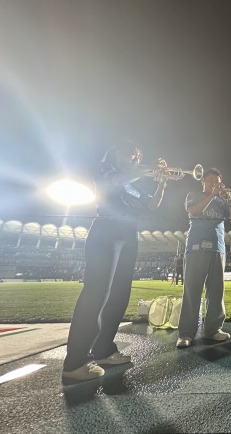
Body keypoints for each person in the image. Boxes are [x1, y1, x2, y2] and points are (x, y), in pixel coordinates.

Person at [62, 141, 168, 382]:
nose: (136, 157)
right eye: (131, 153)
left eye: (139, 155)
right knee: (97, 292)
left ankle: (103, 349)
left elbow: (152, 205)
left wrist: (161, 183)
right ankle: (75, 361)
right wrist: (148, 167)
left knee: (120, 294)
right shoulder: (105, 169)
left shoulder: (133, 183)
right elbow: (114, 182)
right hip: (106, 230)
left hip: (128, 234)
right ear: (116, 154)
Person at [176, 168, 231, 348]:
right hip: (196, 248)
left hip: (218, 249)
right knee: (192, 292)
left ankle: (213, 330)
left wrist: (230, 200)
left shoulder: (222, 201)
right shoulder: (193, 195)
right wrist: (212, 195)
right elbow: (194, 211)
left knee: (216, 291)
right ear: (203, 181)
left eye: (217, 181)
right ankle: (186, 333)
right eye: (211, 180)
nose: (214, 183)